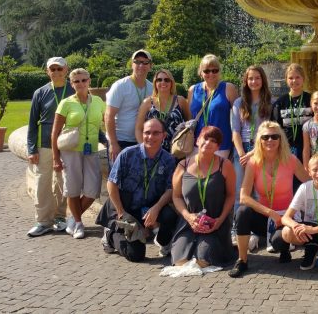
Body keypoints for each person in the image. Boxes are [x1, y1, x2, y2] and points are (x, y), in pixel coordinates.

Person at [228, 121, 310, 278]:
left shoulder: (291, 160)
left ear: (281, 139)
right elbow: (243, 197)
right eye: (265, 137)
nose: (270, 140)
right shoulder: (253, 163)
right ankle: (242, 260)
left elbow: (309, 184)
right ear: (259, 140)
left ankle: (284, 250)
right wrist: (270, 212)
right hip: (266, 215)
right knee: (242, 212)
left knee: (279, 241)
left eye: (274, 136)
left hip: (286, 217)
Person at [97, 118, 178, 261]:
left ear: (164, 135)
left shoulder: (169, 159)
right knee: (136, 255)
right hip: (126, 208)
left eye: (156, 133)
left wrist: (156, 208)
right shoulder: (128, 154)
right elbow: (111, 183)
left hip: (149, 207)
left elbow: (170, 189)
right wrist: (121, 212)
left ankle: (163, 242)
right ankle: (110, 236)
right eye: (147, 133)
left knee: (170, 216)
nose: (150, 137)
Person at [51, 68, 106, 239]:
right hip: (70, 150)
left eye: (84, 80)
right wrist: (55, 158)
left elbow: (103, 125)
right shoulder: (66, 103)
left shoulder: (98, 101)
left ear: (89, 81)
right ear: (71, 83)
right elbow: (55, 132)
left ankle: (72, 219)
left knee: (92, 190)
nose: (81, 84)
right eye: (77, 81)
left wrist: (108, 142)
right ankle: (78, 223)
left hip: (92, 150)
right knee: (73, 188)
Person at [171, 126, 236, 267]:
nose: (208, 143)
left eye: (213, 141)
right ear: (197, 140)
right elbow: (176, 197)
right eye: (205, 138)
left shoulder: (225, 165)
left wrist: (220, 220)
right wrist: (188, 217)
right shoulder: (183, 165)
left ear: (218, 146)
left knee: (203, 261)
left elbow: (231, 196)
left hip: (215, 222)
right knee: (179, 262)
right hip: (189, 222)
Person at [26, 57, 74, 237]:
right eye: (52, 69)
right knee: (42, 182)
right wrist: (32, 149)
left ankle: (60, 217)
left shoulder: (73, 90)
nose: (56, 72)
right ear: (47, 72)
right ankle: (43, 221)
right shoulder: (40, 92)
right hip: (45, 144)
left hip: (68, 143)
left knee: (62, 182)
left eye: (59, 69)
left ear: (66, 70)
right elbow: (32, 123)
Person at [273, 153, 318, 272]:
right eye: (315, 170)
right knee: (285, 232)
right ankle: (311, 248)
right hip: (310, 229)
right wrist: (296, 227)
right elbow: (286, 217)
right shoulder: (304, 187)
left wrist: (312, 230)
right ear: (309, 172)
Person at [230, 65, 273, 235]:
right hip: (242, 150)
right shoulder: (239, 103)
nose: (254, 81)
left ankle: (256, 228)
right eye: (250, 78)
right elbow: (235, 131)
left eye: (257, 78)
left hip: (261, 149)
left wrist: (254, 152)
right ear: (246, 81)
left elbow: (269, 131)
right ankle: (237, 227)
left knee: (259, 190)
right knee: (240, 189)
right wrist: (242, 154)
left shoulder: (270, 103)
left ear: (263, 80)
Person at [105, 50, 154, 164]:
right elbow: (108, 116)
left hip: (142, 141)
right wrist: (113, 143)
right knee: (118, 180)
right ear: (132, 64)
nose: (141, 65)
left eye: (145, 62)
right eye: (137, 62)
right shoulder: (120, 86)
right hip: (120, 141)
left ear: (150, 66)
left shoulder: (152, 88)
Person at [188, 54, 238, 157]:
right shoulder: (192, 90)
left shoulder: (228, 88)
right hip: (196, 144)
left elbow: (238, 117)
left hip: (220, 144)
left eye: (214, 70)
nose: (211, 73)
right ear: (201, 72)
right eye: (206, 71)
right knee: (195, 173)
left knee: (215, 172)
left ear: (219, 71)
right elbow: (189, 117)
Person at [135, 69, 190, 153]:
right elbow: (138, 129)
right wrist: (144, 148)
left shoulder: (180, 101)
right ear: (155, 83)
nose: (163, 82)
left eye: (167, 80)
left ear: (171, 83)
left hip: (177, 151)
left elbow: (189, 124)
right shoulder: (147, 103)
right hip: (153, 151)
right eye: (159, 80)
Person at [271, 63, 313, 164]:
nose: (294, 81)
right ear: (286, 80)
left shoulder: (311, 99)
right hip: (286, 149)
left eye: (297, 77)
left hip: (309, 149)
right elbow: (276, 127)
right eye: (291, 78)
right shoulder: (280, 102)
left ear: (303, 78)